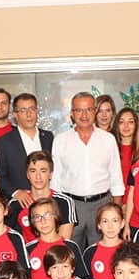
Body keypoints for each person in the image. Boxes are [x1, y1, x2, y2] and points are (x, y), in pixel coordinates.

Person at [51, 91, 125, 249]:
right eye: (79, 110)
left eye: (89, 109)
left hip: (102, 205)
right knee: (70, 252)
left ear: (95, 111)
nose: (84, 115)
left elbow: (116, 178)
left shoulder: (108, 139)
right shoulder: (60, 141)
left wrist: (116, 210)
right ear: (72, 113)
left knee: (103, 252)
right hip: (71, 205)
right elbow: (56, 180)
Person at [0, 93, 54, 205]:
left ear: (37, 111)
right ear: (15, 115)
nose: (28, 114)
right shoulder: (4, 142)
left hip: (47, 201)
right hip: (20, 203)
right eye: (23, 110)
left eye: (32, 109)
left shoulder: (48, 137)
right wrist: (15, 192)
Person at [5, 150, 76, 242]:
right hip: (27, 250)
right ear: (27, 175)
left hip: (55, 250)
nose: (38, 176)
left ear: (50, 175)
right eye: (33, 171)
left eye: (43, 171)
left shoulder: (65, 202)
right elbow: (8, 238)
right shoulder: (17, 203)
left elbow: (63, 243)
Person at [24, 198, 86, 279]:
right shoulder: (28, 249)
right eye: (37, 217)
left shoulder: (70, 246)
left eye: (47, 215)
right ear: (32, 222)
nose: (43, 221)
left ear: (56, 216)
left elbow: (80, 278)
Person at [82, 202, 125, 279]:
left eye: (115, 221)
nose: (110, 226)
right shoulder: (90, 252)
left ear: (122, 223)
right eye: (105, 221)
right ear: (99, 225)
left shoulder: (130, 250)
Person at [113, 107, 138, 203]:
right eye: (121, 122)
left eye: (130, 122)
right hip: (113, 202)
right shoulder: (110, 147)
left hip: (135, 202)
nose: (126, 126)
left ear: (136, 125)